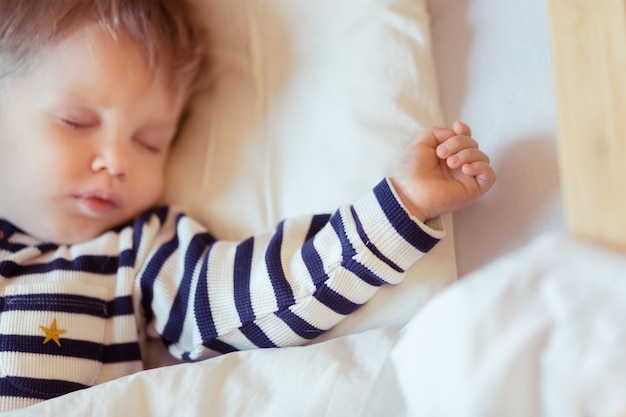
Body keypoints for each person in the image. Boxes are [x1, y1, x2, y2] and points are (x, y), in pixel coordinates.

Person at [0, 0, 495, 412]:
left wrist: (399, 205)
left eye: (149, 142)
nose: (116, 159)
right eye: (75, 121)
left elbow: (263, 295)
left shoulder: (134, 254)